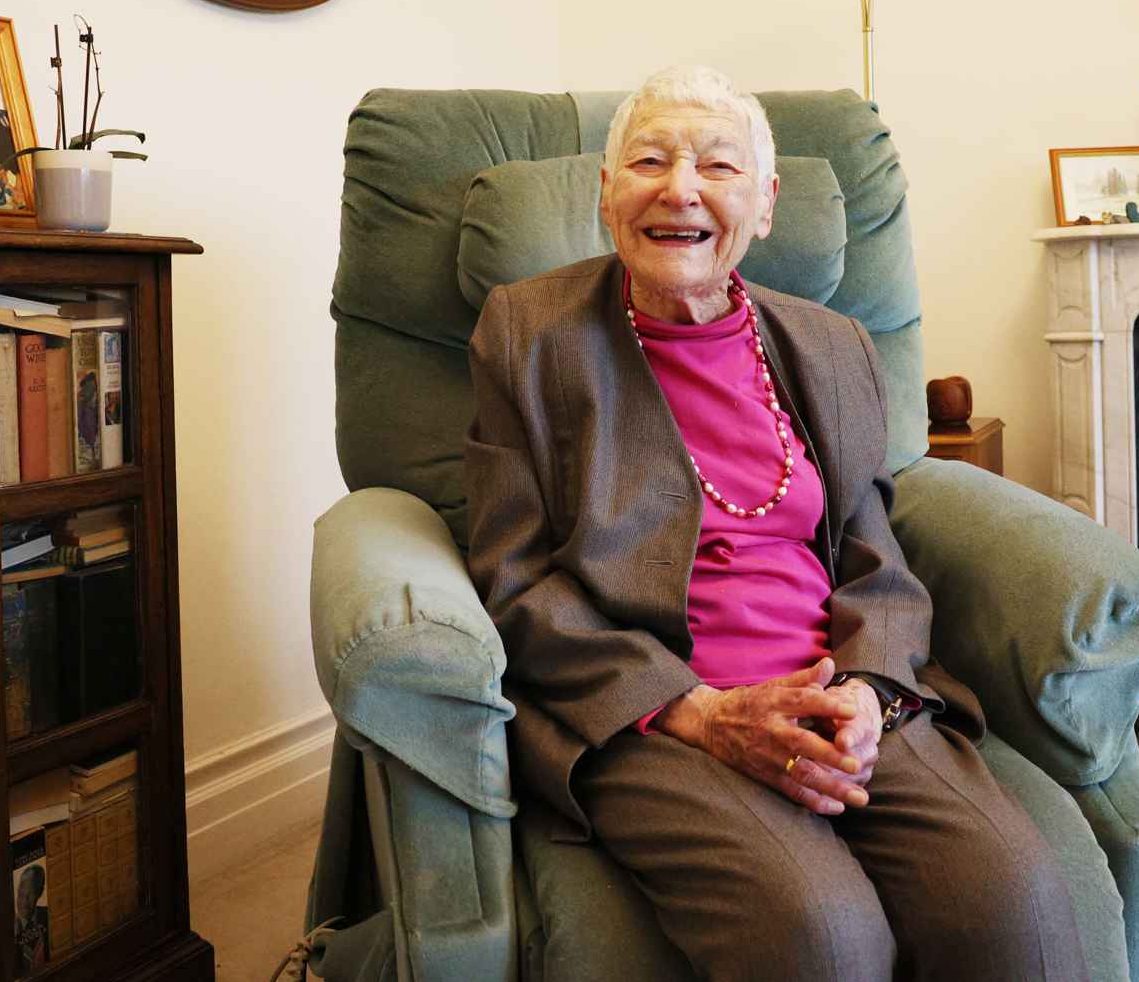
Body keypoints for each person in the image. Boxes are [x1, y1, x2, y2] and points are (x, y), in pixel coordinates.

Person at [465, 66, 1086, 981]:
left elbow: (877, 558)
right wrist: (704, 713)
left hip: (839, 695)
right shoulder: (529, 333)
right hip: (658, 712)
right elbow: (513, 577)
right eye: (648, 160)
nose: (680, 188)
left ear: (763, 206)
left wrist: (870, 692)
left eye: (718, 166)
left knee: (1011, 902)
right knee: (824, 937)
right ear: (607, 194)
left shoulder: (832, 345)